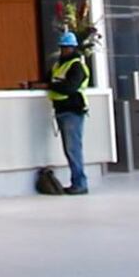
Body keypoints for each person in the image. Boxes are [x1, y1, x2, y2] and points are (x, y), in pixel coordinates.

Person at [45, 26, 93, 194]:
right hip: (62, 110)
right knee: (70, 149)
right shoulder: (59, 65)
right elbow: (49, 79)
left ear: (72, 48)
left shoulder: (76, 66)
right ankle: (77, 182)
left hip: (73, 111)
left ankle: (80, 183)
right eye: (62, 47)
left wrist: (51, 85)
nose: (63, 50)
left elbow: (69, 88)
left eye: (66, 47)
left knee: (73, 149)